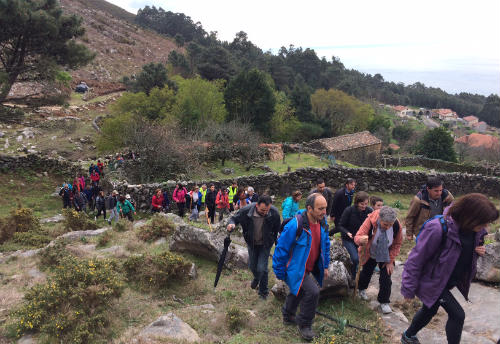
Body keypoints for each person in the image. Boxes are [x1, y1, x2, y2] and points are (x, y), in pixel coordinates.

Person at [401, 193, 499, 344]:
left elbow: (459, 250)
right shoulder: (438, 228)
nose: (486, 227)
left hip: (447, 279)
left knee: (430, 309)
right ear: (470, 216)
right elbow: (416, 259)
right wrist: (408, 287)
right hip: (432, 280)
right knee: (457, 315)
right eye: (484, 222)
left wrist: (477, 251)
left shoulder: (475, 230)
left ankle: (408, 336)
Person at [272, 193, 330, 341]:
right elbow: (281, 248)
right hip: (295, 268)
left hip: (309, 267)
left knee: (298, 290)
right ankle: (304, 324)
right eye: (320, 209)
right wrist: (279, 271)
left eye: (325, 208)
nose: (324, 212)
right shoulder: (295, 225)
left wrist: (325, 266)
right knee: (313, 292)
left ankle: (288, 315)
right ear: (309, 208)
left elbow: (325, 245)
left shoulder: (322, 223)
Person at [228, 195, 281, 300]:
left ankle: (263, 293)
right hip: (251, 243)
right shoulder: (246, 211)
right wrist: (231, 224)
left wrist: (277, 243)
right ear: (257, 205)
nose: (265, 212)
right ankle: (257, 278)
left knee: (262, 268)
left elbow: (278, 229)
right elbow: (234, 218)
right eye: (262, 210)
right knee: (252, 266)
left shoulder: (274, 213)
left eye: (267, 210)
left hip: (266, 244)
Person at [354, 206, 402, 314]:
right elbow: (357, 237)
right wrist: (361, 240)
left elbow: (397, 244)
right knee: (366, 272)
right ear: (380, 219)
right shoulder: (370, 221)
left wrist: (390, 260)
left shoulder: (396, 225)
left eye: (390, 225)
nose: (388, 227)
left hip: (386, 253)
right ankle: (361, 289)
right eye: (385, 224)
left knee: (386, 277)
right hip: (370, 251)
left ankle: (384, 302)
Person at [337, 191, 373, 281]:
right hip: (349, 238)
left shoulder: (369, 211)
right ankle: (353, 278)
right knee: (355, 258)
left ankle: (362, 279)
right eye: (362, 204)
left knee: (367, 259)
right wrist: (347, 232)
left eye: (366, 204)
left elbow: (373, 224)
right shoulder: (349, 210)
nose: (364, 206)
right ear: (356, 202)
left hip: (362, 239)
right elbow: (340, 225)